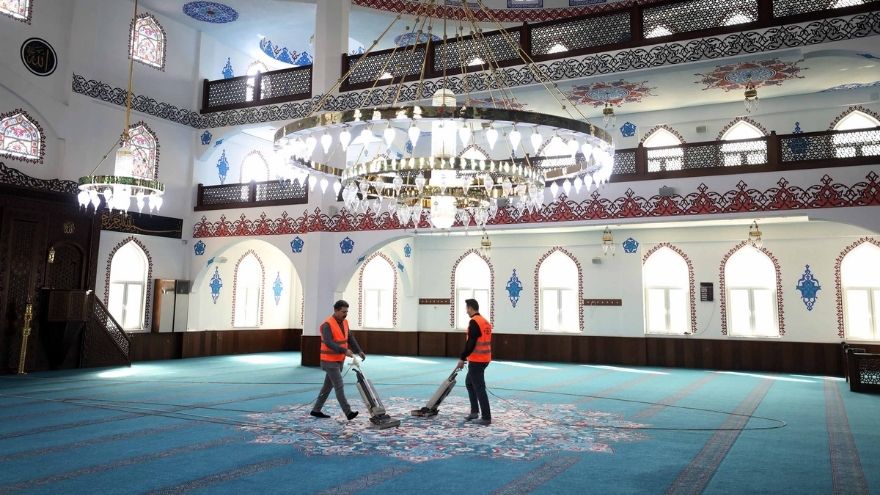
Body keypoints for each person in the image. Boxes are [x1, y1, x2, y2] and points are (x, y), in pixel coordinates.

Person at [310, 300, 365, 421]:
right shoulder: (327, 325)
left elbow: (350, 338)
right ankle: (348, 412)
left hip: (339, 360)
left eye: (347, 312)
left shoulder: (345, 322)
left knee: (327, 387)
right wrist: (344, 351)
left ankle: (316, 410)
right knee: (339, 385)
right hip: (329, 361)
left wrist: (359, 350)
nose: (346, 314)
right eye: (343, 312)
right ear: (336, 310)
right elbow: (329, 343)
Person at [456, 298, 492, 426]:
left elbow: (471, 343)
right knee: (469, 383)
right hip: (485, 358)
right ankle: (474, 412)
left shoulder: (474, 322)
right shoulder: (485, 321)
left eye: (467, 308)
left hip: (477, 360)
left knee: (479, 387)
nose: (466, 311)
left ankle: (486, 417)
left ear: (471, 308)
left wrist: (462, 358)